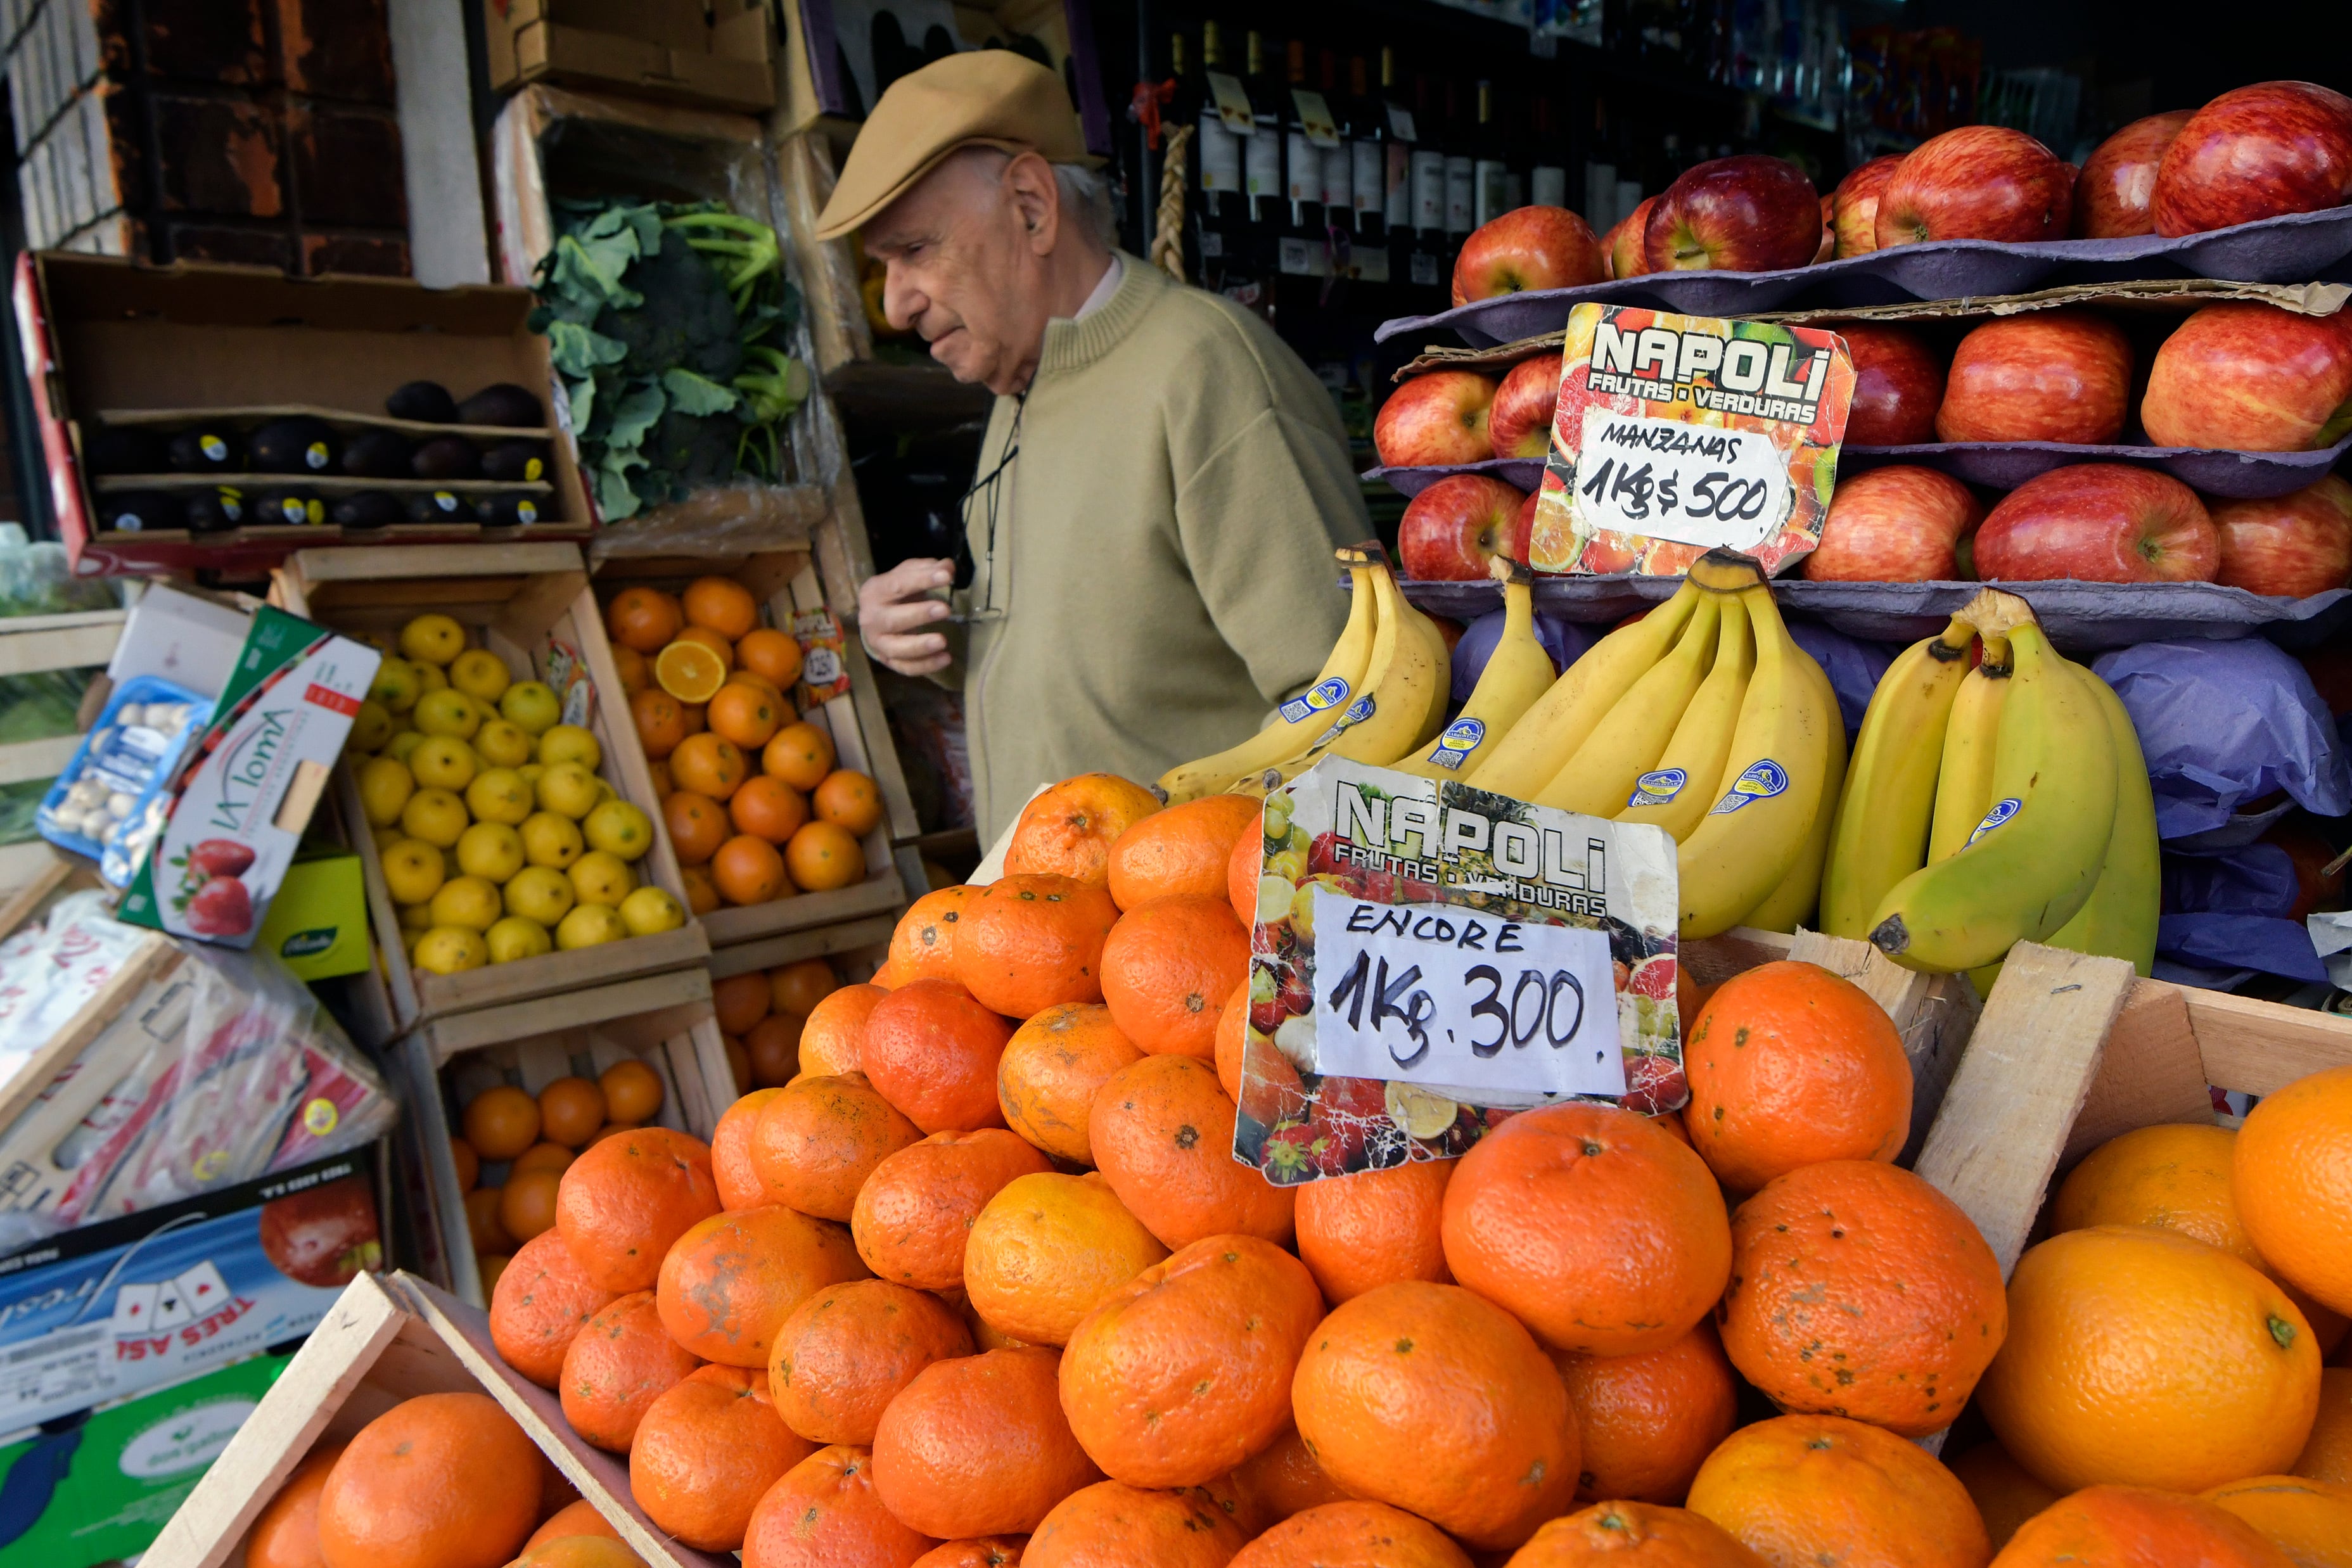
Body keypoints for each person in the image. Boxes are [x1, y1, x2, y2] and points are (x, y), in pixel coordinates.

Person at [819, 51, 1371, 845]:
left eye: (914, 251)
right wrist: (941, 631)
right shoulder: (1022, 384)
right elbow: (1106, 635)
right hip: (1048, 941)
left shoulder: (1205, 370)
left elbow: (1343, 702)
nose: (898, 306)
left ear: (1032, 208)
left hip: (1177, 943)